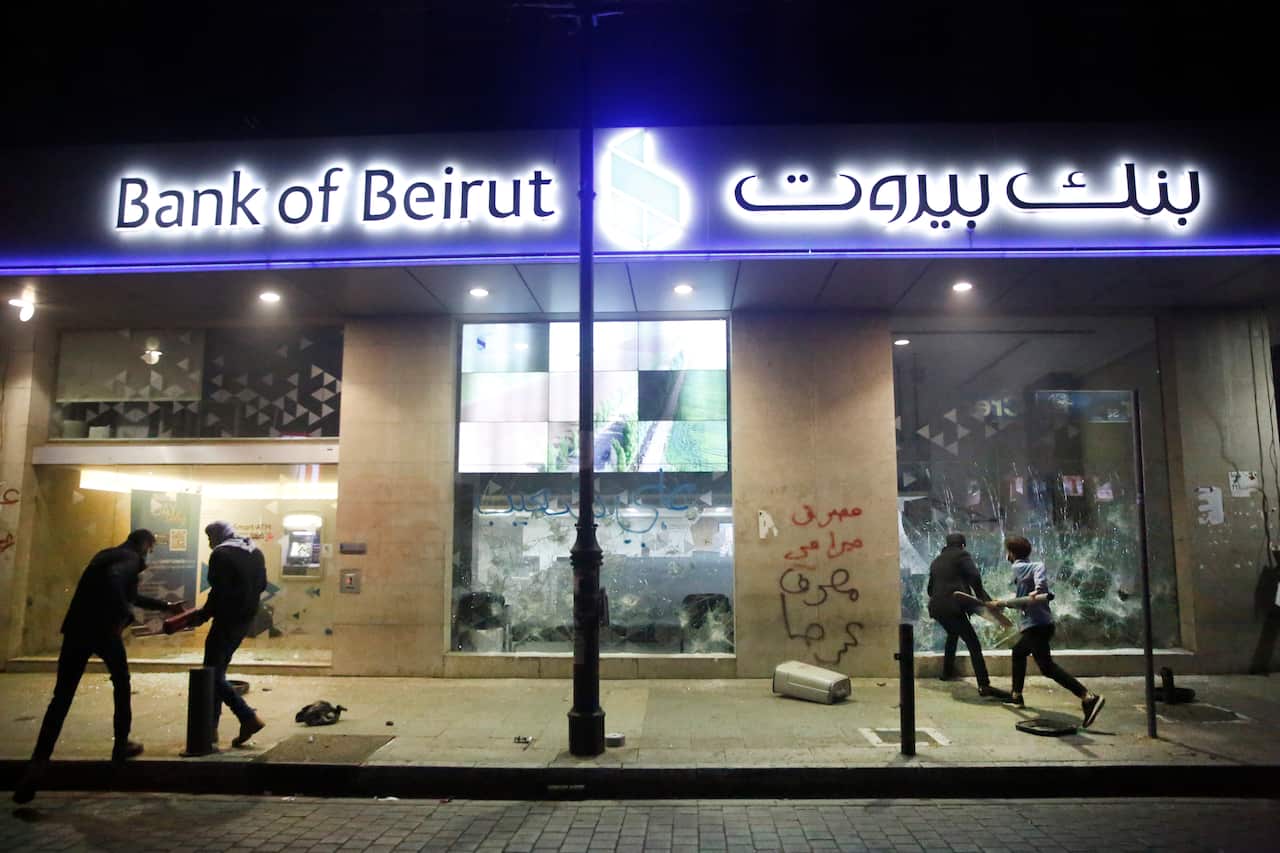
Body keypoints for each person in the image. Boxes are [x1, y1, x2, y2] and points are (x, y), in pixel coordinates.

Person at [13, 529, 184, 804]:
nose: (148, 555)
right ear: (144, 545)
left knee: (61, 697)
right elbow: (117, 584)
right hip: (103, 631)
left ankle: (38, 762)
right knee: (121, 682)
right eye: (149, 549)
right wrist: (124, 615)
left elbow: (128, 593)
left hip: (76, 629)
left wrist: (164, 605)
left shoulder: (106, 555)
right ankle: (121, 744)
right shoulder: (130, 558)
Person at [994, 535, 1105, 728]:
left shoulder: (1020, 567)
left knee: (1047, 666)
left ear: (1011, 553)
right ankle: (1016, 695)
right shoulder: (1022, 572)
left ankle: (1088, 696)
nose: (1007, 555)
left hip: (1037, 626)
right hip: (1040, 624)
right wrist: (1004, 604)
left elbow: (1039, 568)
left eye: (1008, 551)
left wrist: (1038, 589)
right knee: (1022, 654)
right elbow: (1022, 600)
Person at [197, 521, 267, 747]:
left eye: (210, 538)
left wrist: (204, 615)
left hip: (226, 619)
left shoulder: (221, 554)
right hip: (245, 618)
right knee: (217, 671)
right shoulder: (255, 550)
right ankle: (210, 729)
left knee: (211, 673)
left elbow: (219, 591)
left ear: (218, 535)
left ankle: (247, 717)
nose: (210, 544)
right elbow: (262, 585)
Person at [926, 533, 1008, 698]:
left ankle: (946, 673)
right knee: (973, 644)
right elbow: (975, 576)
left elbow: (930, 589)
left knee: (953, 634)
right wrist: (983, 599)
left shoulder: (937, 561)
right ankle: (984, 685)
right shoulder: (962, 555)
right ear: (963, 544)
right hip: (953, 607)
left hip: (936, 608)